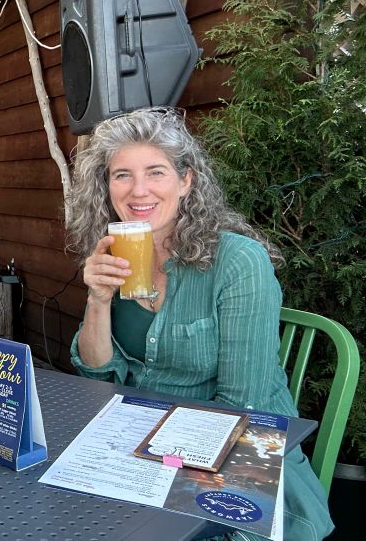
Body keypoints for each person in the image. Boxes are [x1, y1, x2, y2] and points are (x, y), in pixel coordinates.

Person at [66, 107, 333, 541]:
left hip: (237, 457)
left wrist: (152, 463)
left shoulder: (237, 262)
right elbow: (96, 372)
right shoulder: (115, 255)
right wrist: (97, 299)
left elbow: (242, 407)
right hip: (139, 443)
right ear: (106, 186)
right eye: (122, 175)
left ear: (186, 180)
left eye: (156, 172)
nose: (138, 190)